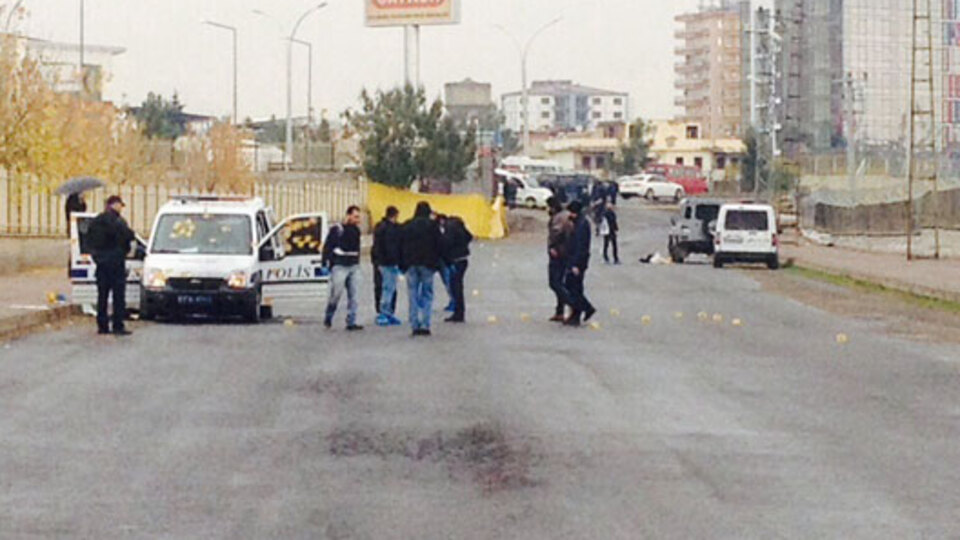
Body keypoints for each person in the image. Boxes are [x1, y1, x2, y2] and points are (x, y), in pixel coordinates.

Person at [87, 195, 134, 336]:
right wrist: (123, 252)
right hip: (116, 263)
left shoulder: (97, 221)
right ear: (114, 205)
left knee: (102, 296)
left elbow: (89, 240)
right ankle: (117, 325)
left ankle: (102, 325)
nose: (121, 208)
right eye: (120, 205)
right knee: (118, 297)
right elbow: (128, 237)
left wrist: (97, 257)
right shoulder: (119, 222)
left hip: (102, 264)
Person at [400, 201, 443, 337]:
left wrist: (403, 263)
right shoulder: (432, 226)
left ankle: (414, 324)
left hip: (411, 264)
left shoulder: (407, 225)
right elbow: (439, 244)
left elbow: (400, 244)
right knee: (427, 294)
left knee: (412, 293)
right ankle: (425, 324)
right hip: (428, 264)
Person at [322, 206, 364, 331]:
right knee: (336, 294)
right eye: (355, 216)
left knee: (354, 295)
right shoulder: (337, 229)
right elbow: (328, 246)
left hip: (353, 266)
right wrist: (325, 263)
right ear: (348, 215)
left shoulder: (356, 230)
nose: (358, 219)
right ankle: (329, 316)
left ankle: (351, 321)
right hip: (340, 266)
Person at [563, 201, 596, 327]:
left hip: (578, 262)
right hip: (574, 261)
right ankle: (576, 313)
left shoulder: (581, 225)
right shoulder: (579, 223)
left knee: (573, 287)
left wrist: (576, 264)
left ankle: (586, 308)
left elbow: (581, 247)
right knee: (573, 287)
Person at [440, 215, 473, 323]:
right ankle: (459, 311)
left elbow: (446, 243)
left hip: (455, 260)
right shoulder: (460, 227)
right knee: (458, 285)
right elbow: (470, 237)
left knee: (455, 286)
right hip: (463, 258)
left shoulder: (449, 228)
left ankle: (458, 312)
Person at [372, 206, 401, 324]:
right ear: (395, 215)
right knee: (388, 288)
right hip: (388, 262)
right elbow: (391, 247)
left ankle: (385, 312)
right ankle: (385, 312)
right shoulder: (390, 229)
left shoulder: (379, 226)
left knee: (385, 287)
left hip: (379, 261)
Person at [547, 197, 574, 322]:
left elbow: (556, 233)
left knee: (555, 283)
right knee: (559, 282)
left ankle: (573, 304)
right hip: (565, 253)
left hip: (558, 253)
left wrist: (553, 247)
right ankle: (559, 311)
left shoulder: (559, 218)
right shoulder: (565, 215)